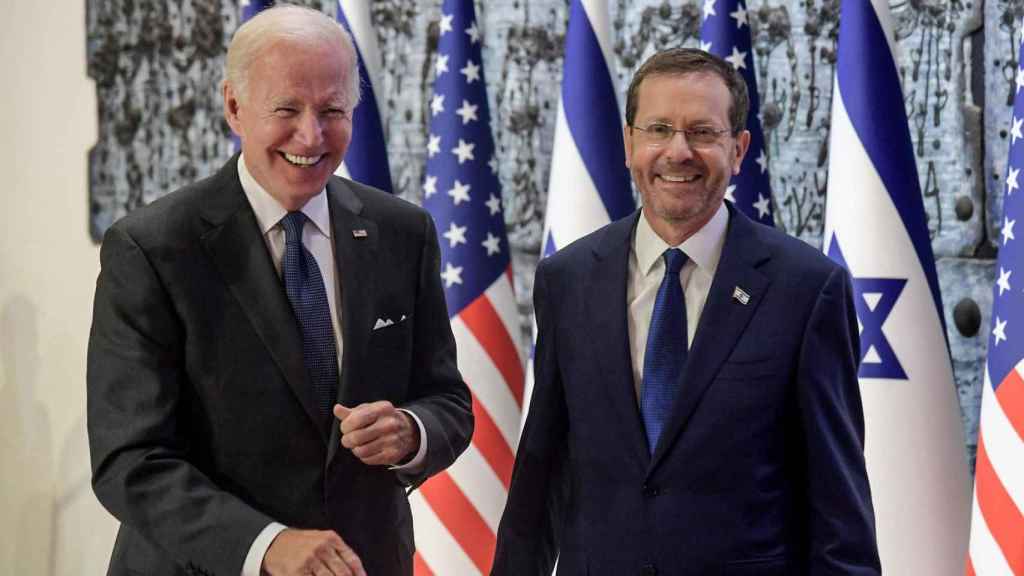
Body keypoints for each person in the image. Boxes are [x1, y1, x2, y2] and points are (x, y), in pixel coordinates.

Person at [87, 6, 472, 576]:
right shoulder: (152, 248)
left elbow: (447, 401)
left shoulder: (401, 232)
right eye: (287, 109)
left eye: (332, 110)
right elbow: (130, 459)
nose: (311, 136)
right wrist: (265, 543)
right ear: (234, 106)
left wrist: (410, 433)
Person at [492, 48, 880, 575]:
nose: (679, 152)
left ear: (738, 149)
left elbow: (838, 505)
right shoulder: (568, 279)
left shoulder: (807, 289)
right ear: (630, 144)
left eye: (703, 132)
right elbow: (542, 473)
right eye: (658, 129)